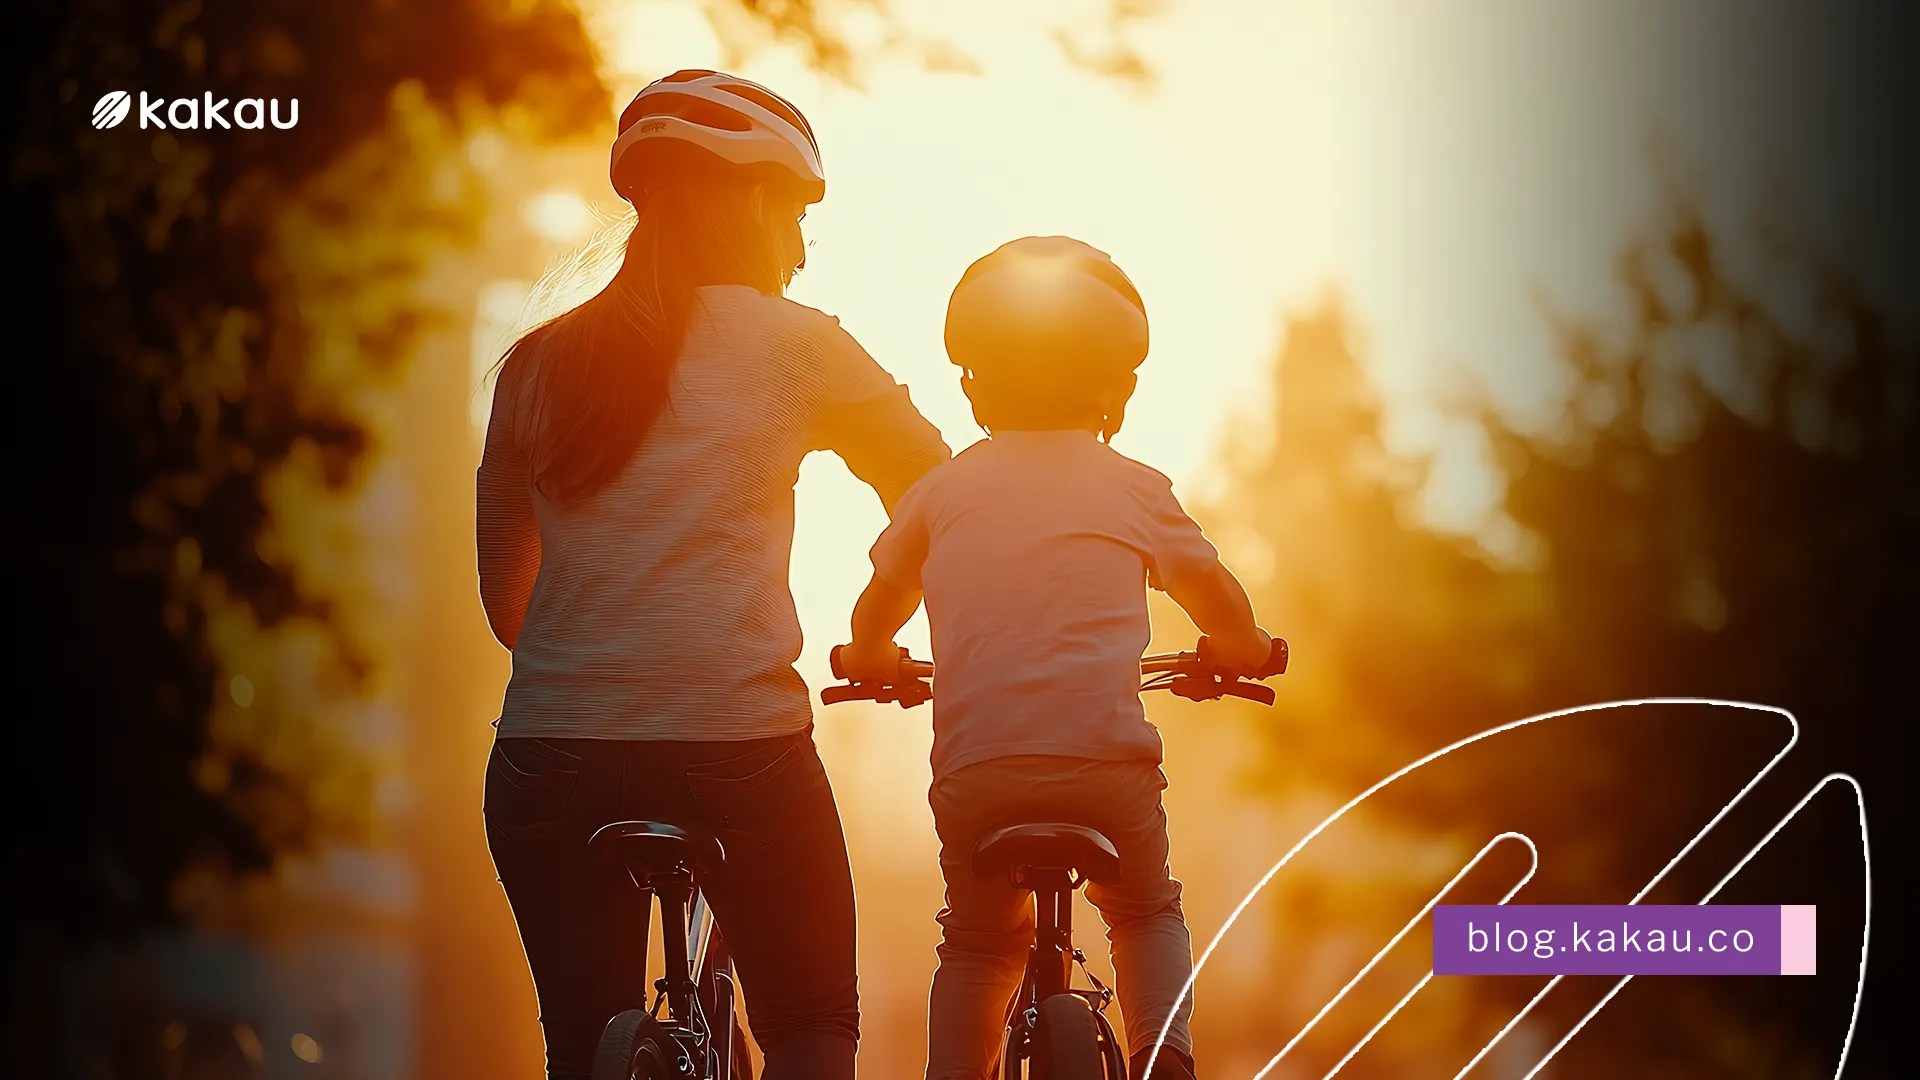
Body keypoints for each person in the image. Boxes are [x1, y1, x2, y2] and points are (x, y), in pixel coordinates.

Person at [477, 69, 950, 1080]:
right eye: (794, 213)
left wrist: (608, 644)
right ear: (744, 199)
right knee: (815, 1019)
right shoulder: (803, 347)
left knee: (579, 1038)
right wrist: (886, 623)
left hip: (549, 756)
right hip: (739, 747)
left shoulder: (535, 366)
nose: (802, 246)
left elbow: (504, 604)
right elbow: (937, 495)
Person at [836, 237, 1276, 1080]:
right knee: (1147, 912)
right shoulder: (1136, 487)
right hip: (1105, 769)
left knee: (974, 945)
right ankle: (1166, 1057)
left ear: (974, 382)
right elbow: (1218, 600)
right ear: (1120, 387)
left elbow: (876, 609)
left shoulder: (942, 490)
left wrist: (873, 658)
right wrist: (1241, 651)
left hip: (979, 772)